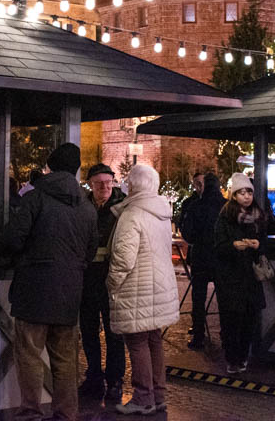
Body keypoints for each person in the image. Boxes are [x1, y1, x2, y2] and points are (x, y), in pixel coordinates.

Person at [0, 143, 97, 421]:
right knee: (65, 359)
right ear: (76, 169)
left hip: (34, 291)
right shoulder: (87, 207)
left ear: (50, 166)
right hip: (69, 293)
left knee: (29, 354)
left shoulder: (35, 199)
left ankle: (30, 411)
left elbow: (11, 240)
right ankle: (66, 413)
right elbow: (90, 251)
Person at [106, 164, 179, 415]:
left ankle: (143, 397)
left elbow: (124, 258)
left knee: (137, 342)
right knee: (154, 340)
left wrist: (111, 283)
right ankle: (158, 395)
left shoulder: (133, 214)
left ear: (133, 185)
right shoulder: (161, 214)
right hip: (158, 287)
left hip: (136, 288)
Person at [213, 173, 275, 374]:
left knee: (250, 319)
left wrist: (259, 244)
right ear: (234, 196)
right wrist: (234, 245)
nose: (246, 197)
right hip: (230, 277)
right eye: (241, 193)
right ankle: (232, 358)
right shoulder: (225, 217)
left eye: (249, 192)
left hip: (251, 277)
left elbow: (269, 237)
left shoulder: (259, 216)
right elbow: (218, 247)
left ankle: (243, 356)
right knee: (232, 320)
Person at [78, 163, 126, 404]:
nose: (104, 187)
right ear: (90, 185)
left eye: (108, 183)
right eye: (99, 184)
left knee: (114, 331)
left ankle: (115, 379)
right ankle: (94, 375)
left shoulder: (122, 207)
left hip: (112, 279)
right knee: (88, 330)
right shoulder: (83, 206)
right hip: (87, 278)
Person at [179, 172, 223, 350]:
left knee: (198, 298)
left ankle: (198, 335)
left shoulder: (196, 206)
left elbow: (187, 232)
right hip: (220, 258)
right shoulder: (226, 206)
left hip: (200, 257)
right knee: (223, 297)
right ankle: (225, 333)